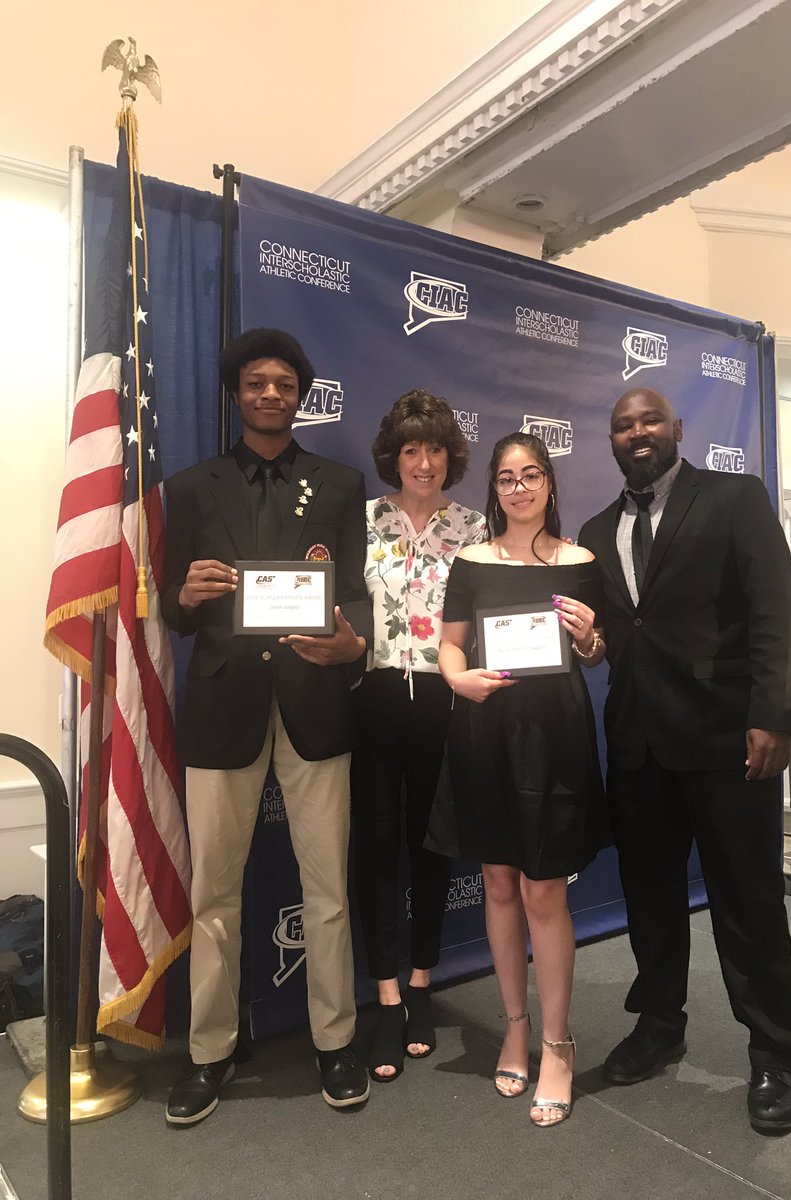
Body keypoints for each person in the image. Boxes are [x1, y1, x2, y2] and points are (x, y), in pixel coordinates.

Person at [577, 386, 791, 1135]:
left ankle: (773, 1051)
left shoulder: (735, 498)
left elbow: (776, 609)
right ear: (610, 440)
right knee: (649, 900)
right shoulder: (594, 527)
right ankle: (659, 1024)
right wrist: (590, 643)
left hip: (726, 743)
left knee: (748, 903)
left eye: (649, 420)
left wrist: (771, 715)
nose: (637, 432)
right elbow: (617, 630)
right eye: (623, 425)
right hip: (639, 745)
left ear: (676, 429)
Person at [161, 327, 372, 1125]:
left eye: (285, 383)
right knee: (213, 891)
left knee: (327, 889)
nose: (271, 394)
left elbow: (351, 593)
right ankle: (210, 1052)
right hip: (222, 707)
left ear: (301, 395)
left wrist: (351, 641)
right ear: (236, 392)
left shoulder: (341, 484)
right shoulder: (189, 487)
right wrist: (187, 596)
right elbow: (176, 614)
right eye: (257, 383)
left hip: (317, 703)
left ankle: (335, 1038)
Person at [433, 432, 610, 1128]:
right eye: (506, 478)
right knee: (500, 882)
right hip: (485, 732)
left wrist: (592, 634)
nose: (519, 487)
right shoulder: (471, 561)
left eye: (530, 474)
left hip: (556, 736)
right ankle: (514, 1025)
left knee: (544, 891)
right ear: (494, 490)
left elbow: (595, 655)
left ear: (550, 484)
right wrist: (457, 678)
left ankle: (557, 1043)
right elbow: (449, 643)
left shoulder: (582, 561)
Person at [352, 390, 485, 1083]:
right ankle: (383, 997)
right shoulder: (363, 522)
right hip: (374, 699)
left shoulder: (473, 528)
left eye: (435, 448)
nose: (424, 462)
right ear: (393, 457)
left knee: (431, 847)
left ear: (449, 456)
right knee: (375, 847)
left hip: (443, 700)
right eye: (411, 449)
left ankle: (423, 985)